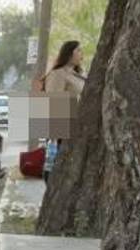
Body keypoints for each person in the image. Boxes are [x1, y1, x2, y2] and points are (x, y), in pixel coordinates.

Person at [41, 41, 86, 182]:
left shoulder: (77, 74)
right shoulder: (58, 74)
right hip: (62, 130)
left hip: (77, 128)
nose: (81, 55)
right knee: (57, 170)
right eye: (78, 51)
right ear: (69, 53)